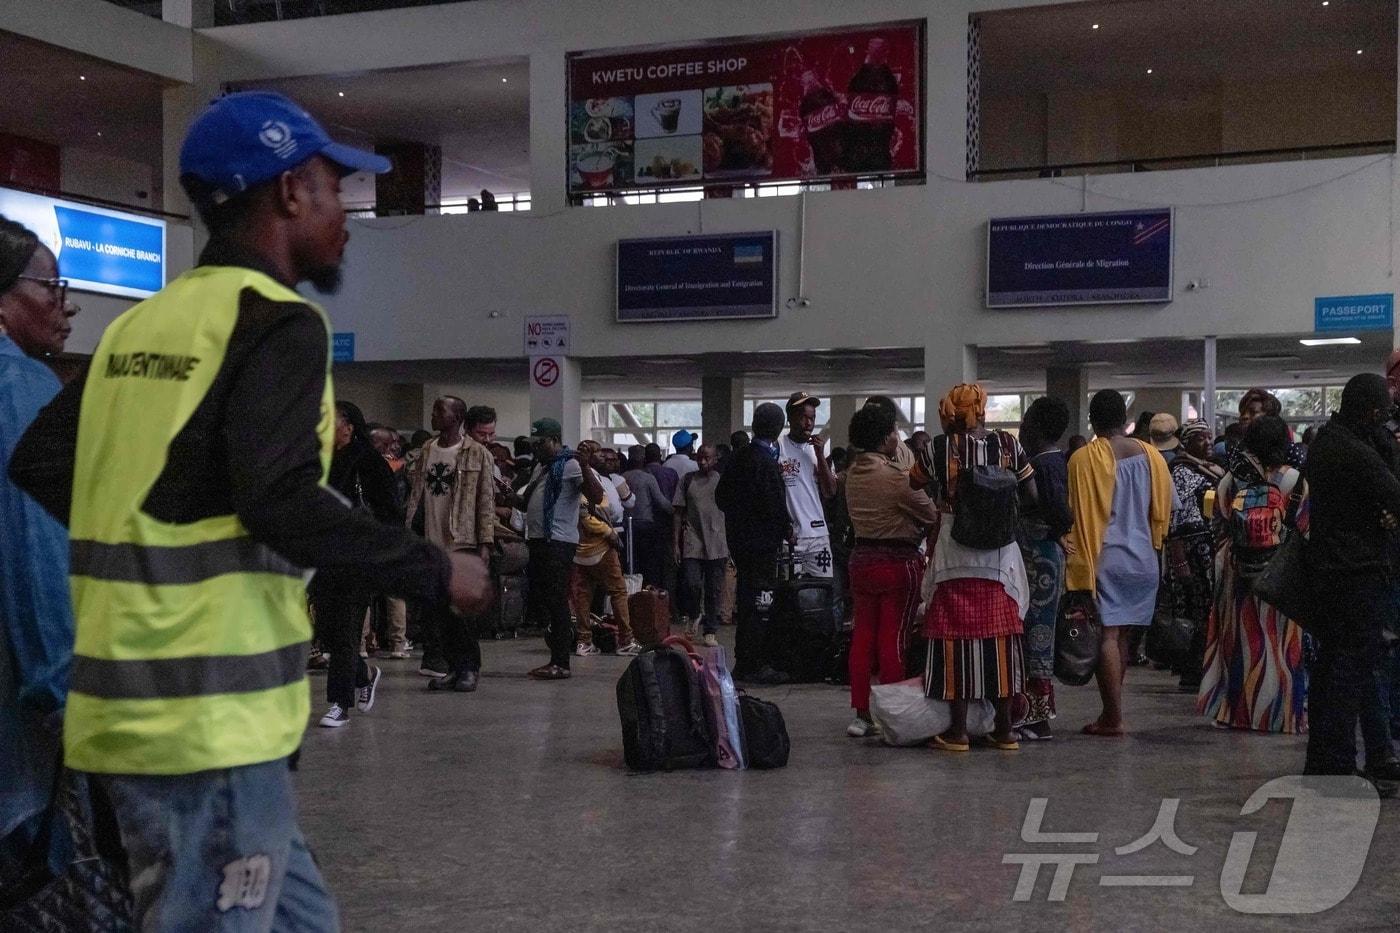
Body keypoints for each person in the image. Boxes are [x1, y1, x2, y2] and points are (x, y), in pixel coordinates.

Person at [8, 91, 493, 930]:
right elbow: (279, 499)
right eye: (337, 189)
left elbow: (43, 462)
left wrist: (165, 515)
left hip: (130, 708)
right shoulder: (277, 323)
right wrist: (435, 567)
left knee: (302, 919)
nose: (345, 214)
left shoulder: (142, 324)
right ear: (290, 189)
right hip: (209, 719)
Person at [0, 215, 95, 912]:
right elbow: (36, 550)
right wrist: (65, 690)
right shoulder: (18, 386)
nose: (67, 302)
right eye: (51, 284)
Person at [921, 383, 1036, 751]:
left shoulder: (938, 448)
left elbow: (916, 483)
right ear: (983, 410)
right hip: (1000, 555)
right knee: (1001, 634)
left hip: (955, 550)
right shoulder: (1009, 445)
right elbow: (1031, 494)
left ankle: (957, 732)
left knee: (953, 633)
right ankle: (1004, 730)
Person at [1304, 373, 1400, 790]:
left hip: (1331, 570)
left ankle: (1336, 756)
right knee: (1350, 669)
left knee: (1335, 666)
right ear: (1370, 409)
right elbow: (1393, 494)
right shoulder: (1354, 451)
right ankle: (1338, 762)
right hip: (1356, 571)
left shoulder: (1328, 440)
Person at [1066, 390, 1173, 737]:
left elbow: (1073, 512)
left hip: (1105, 557)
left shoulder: (1083, 459)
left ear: (1092, 421)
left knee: (1107, 636)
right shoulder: (1153, 457)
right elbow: (1167, 507)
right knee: (1122, 635)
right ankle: (1111, 710)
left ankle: (1113, 717)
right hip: (1144, 557)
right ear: (1123, 420)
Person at [1197, 415, 1308, 734]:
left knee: (1243, 645)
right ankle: (1282, 716)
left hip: (1239, 575)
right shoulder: (1295, 480)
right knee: (1282, 647)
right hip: (1283, 577)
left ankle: (1239, 713)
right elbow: (1306, 528)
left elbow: (1219, 524)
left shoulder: (1231, 481)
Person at [843, 404, 938, 737]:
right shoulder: (896, 477)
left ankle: (862, 713)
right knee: (893, 638)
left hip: (861, 561)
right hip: (897, 564)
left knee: (863, 637)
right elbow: (930, 513)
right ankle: (893, 712)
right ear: (886, 439)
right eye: (894, 432)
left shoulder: (852, 474)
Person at [309, 401, 401, 727]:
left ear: (348, 426)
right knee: (329, 632)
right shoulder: (319, 460)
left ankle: (338, 703)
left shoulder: (368, 462)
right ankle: (364, 674)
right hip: (323, 557)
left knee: (347, 629)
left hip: (357, 559)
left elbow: (391, 511)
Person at [405, 395, 496, 692]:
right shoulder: (427, 449)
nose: (432, 415)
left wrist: (485, 544)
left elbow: (485, 501)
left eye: (438, 411)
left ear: (457, 417)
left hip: (462, 540)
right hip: (431, 542)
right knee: (439, 613)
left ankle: (470, 668)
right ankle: (452, 667)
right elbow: (417, 494)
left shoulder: (477, 453)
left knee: (462, 612)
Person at [520, 418, 606, 680]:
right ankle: (556, 658)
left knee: (557, 601)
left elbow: (595, 495)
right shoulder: (542, 468)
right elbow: (526, 504)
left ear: (556, 440)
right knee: (546, 600)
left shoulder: (570, 464)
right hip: (539, 540)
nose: (536, 447)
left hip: (557, 542)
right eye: (534, 443)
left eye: (542, 442)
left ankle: (560, 662)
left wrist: (585, 465)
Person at [716, 403, 793, 683]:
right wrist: (785, 528)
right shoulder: (765, 462)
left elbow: (721, 498)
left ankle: (744, 660)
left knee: (746, 600)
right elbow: (773, 503)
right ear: (778, 428)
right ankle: (756, 663)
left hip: (739, 541)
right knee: (761, 603)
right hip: (762, 545)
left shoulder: (739, 458)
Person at [1016, 397, 1074, 741]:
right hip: (1039, 557)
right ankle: (1032, 711)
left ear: (1034, 427)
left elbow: (1057, 509)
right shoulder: (1052, 460)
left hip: (1039, 560)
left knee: (1037, 636)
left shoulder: (1044, 464)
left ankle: (1037, 717)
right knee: (1033, 634)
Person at [1164, 420, 1225, 691]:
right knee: (1195, 611)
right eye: (1201, 438)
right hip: (1190, 550)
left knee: (1205, 609)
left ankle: (1201, 668)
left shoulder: (1207, 469)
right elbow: (1174, 517)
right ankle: (1191, 671)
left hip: (1206, 546)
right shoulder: (1181, 471)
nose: (1208, 443)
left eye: (1210, 437)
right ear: (1187, 443)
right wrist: (1179, 562)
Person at [570, 440, 641, 657]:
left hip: (580, 550)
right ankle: (626, 640)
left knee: (583, 596)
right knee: (618, 592)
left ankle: (584, 641)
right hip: (600, 546)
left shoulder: (595, 477)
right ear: (588, 457)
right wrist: (608, 533)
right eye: (598, 453)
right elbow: (587, 513)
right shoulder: (587, 478)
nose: (604, 457)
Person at [674, 444, 730, 648]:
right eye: (699, 457)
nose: (703, 461)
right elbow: (678, 513)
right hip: (693, 540)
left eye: (707, 458)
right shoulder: (687, 480)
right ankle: (694, 613)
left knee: (714, 589)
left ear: (716, 459)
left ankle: (710, 630)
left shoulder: (723, 481)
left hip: (717, 540)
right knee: (691, 582)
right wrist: (676, 543)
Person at [780, 391, 838, 577]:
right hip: (791, 537)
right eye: (803, 417)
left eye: (812, 418)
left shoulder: (818, 451)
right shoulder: (779, 448)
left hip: (818, 536)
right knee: (790, 593)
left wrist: (820, 456)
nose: (809, 423)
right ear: (790, 418)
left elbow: (830, 492)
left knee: (823, 590)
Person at [623, 445, 671, 589]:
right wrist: (676, 510)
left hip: (627, 527)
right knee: (649, 565)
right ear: (644, 458)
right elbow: (661, 502)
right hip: (646, 526)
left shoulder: (623, 477)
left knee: (631, 564)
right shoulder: (648, 478)